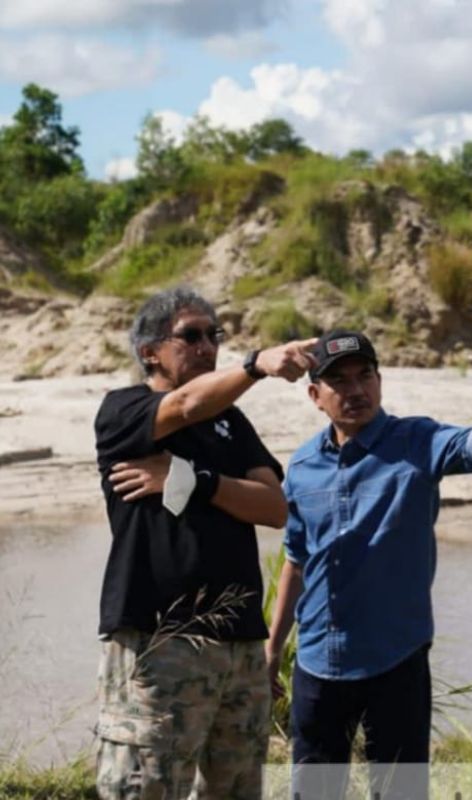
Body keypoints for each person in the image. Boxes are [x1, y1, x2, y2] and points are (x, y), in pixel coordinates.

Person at [266, 330, 472, 799]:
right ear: (316, 396)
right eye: (339, 381)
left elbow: (468, 443)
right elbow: (296, 559)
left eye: (365, 376)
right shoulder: (301, 467)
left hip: (394, 660)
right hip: (318, 662)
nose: (355, 390)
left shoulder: (414, 441)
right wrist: (274, 649)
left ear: (380, 381)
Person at [92, 285, 318, 800]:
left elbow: (274, 507)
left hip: (238, 642)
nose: (206, 347)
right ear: (150, 351)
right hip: (159, 635)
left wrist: (194, 479)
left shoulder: (229, 422)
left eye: (213, 336)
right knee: (146, 785)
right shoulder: (125, 410)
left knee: (237, 788)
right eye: (190, 336)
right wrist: (256, 365)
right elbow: (187, 402)